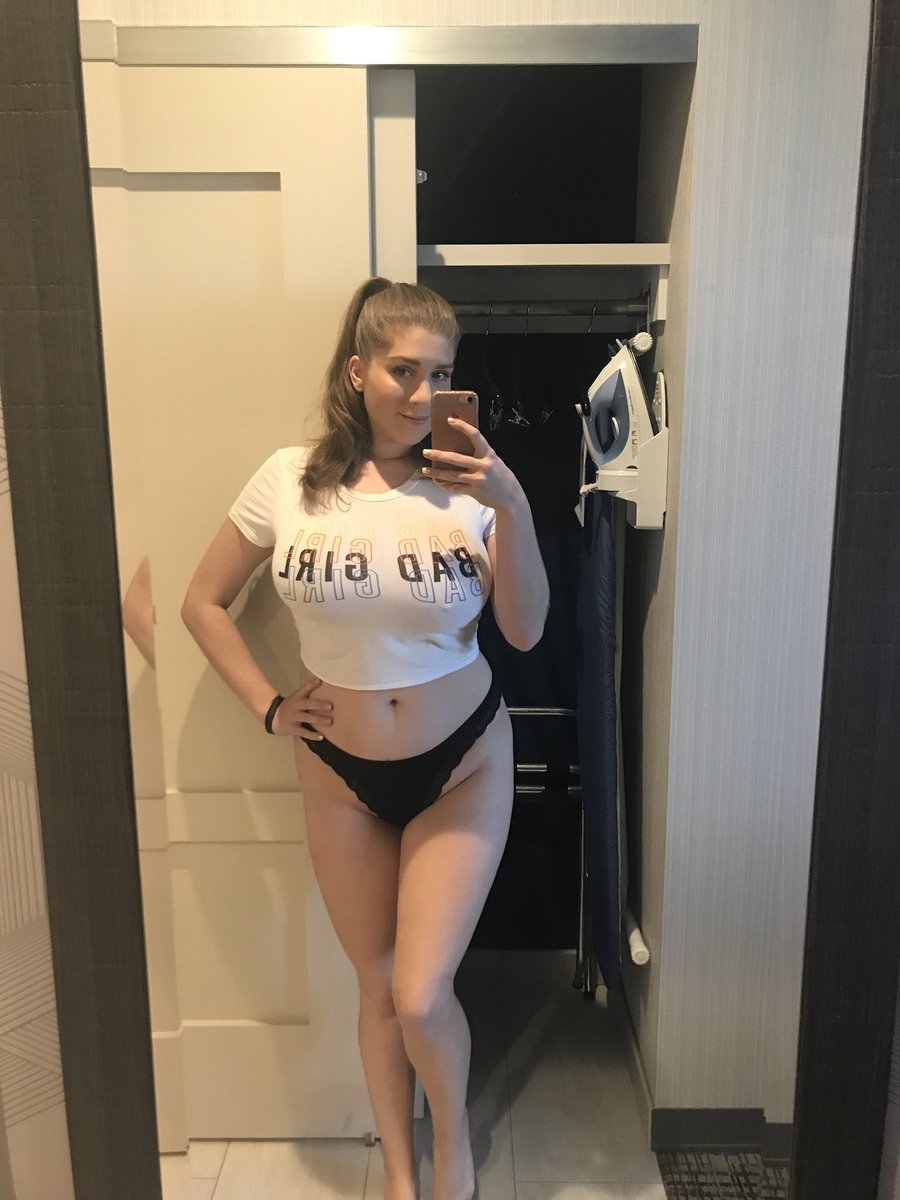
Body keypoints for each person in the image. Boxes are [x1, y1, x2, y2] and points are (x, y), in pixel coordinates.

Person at [181, 277, 550, 1200]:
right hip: (337, 774)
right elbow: (202, 603)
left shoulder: (471, 489)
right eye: (403, 370)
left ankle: (452, 1153)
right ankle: (398, 1171)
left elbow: (525, 629)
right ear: (357, 371)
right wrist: (271, 707)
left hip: (462, 762)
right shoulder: (289, 478)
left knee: (422, 994)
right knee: (378, 988)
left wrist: (513, 504)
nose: (426, 394)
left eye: (443, 374)